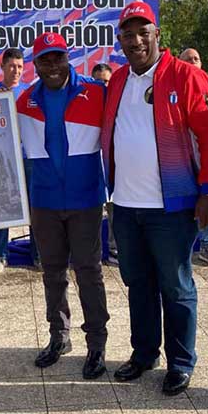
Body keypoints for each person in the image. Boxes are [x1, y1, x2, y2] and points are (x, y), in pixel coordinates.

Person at [101, 2, 208, 396]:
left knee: (175, 286)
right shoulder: (117, 81)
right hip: (125, 205)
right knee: (137, 283)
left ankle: (181, 362)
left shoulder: (186, 76)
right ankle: (144, 354)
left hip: (173, 206)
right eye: (128, 34)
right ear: (120, 40)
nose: (135, 40)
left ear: (157, 35)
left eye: (143, 32)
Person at [17, 32, 109, 379]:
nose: (53, 64)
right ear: (35, 64)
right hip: (45, 201)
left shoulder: (96, 92)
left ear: (68, 58)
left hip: (85, 199)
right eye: (45, 59)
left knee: (89, 272)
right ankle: (59, 336)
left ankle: (96, 344)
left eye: (59, 57)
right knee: (52, 273)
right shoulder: (23, 101)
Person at [0, 48, 32, 274]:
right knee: (2, 207)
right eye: (12, 66)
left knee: (33, 208)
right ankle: (1, 255)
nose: (16, 71)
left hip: (27, 158)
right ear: (2, 67)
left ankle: (38, 254)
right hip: (1, 160)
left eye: (20, 67)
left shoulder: (30, 92)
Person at [179, 47, 208, 267]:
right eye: (187, 59)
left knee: (207, 198)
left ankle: (207, 245)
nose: (192, 62)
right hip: (181, 159)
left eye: (196, 59)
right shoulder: (174, 85)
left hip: (205, 156)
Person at [91, 63, 117, 264]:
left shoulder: (118, 105)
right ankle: (94, 254)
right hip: (91, 166)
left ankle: (115, 250)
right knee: (92, 214)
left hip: (113, 165)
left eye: (106, 81)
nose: (102, 85)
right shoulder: (83, 105)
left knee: (115, 210)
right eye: (98, 81)